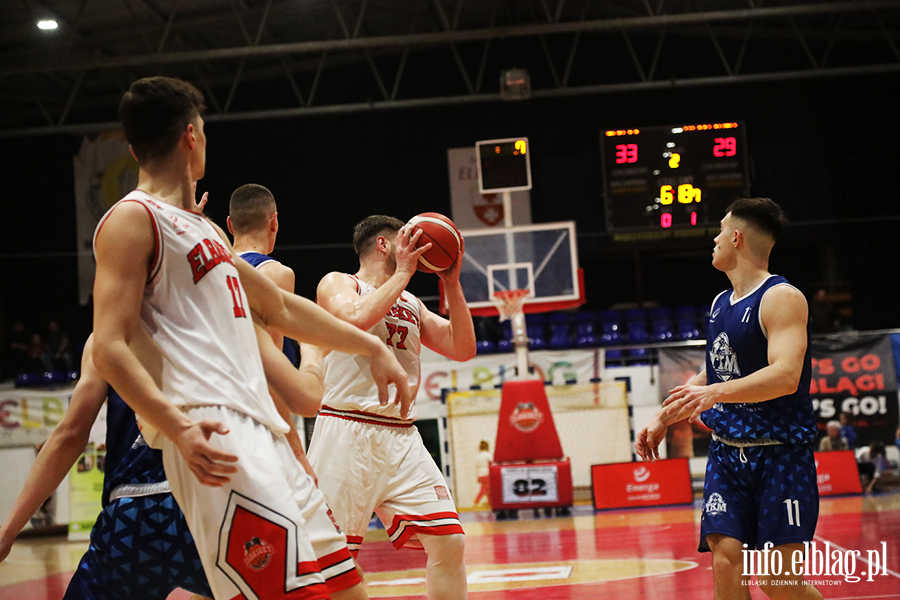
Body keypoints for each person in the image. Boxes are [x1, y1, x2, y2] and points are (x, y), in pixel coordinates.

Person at [91, 76, 410, 600]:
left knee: (347, 589)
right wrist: (177, 426)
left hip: (266, 430)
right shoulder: (130, 219)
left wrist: (372, 346)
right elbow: (108, 346)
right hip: (213, 428)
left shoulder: (208, 231)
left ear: (132, 146)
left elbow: (279, 305)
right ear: (192, 136)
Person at [635, 198, 822, 600]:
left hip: (780, 455)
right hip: (727, 455)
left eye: (720, 230)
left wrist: (713, 393)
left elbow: (786, 376)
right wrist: (664, 418)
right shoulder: (721, 304)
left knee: (778, 582)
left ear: (736, 237)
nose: (715, 239)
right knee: (726, 561)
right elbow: (714, 373)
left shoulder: (781, 297)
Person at [310, 215, 476, 600]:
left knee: (450, 543)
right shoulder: (339, 283)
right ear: (385, 245)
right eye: (407, 240)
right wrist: (403, 271)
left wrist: (451, 284)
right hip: (345, 431)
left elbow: (462, 348)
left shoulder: (411, 302)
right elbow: (354, 317)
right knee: (333, 560)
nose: (417, 250)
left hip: (402, 435)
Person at [228, 183, 300, 367]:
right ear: (274, 222)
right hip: (253, 388)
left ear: (230, 224)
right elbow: (273, 358)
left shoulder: (212, 265)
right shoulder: (274, 272)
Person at [473, 440, 492, 507]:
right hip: (487, 473)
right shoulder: (488, 455)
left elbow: (476, 467)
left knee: (488, 489)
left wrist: (477, 476)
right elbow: (492, 464)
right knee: (484, 489)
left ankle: (490, 502)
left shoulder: (478, 456)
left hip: (480, 474)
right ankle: (476, 501)